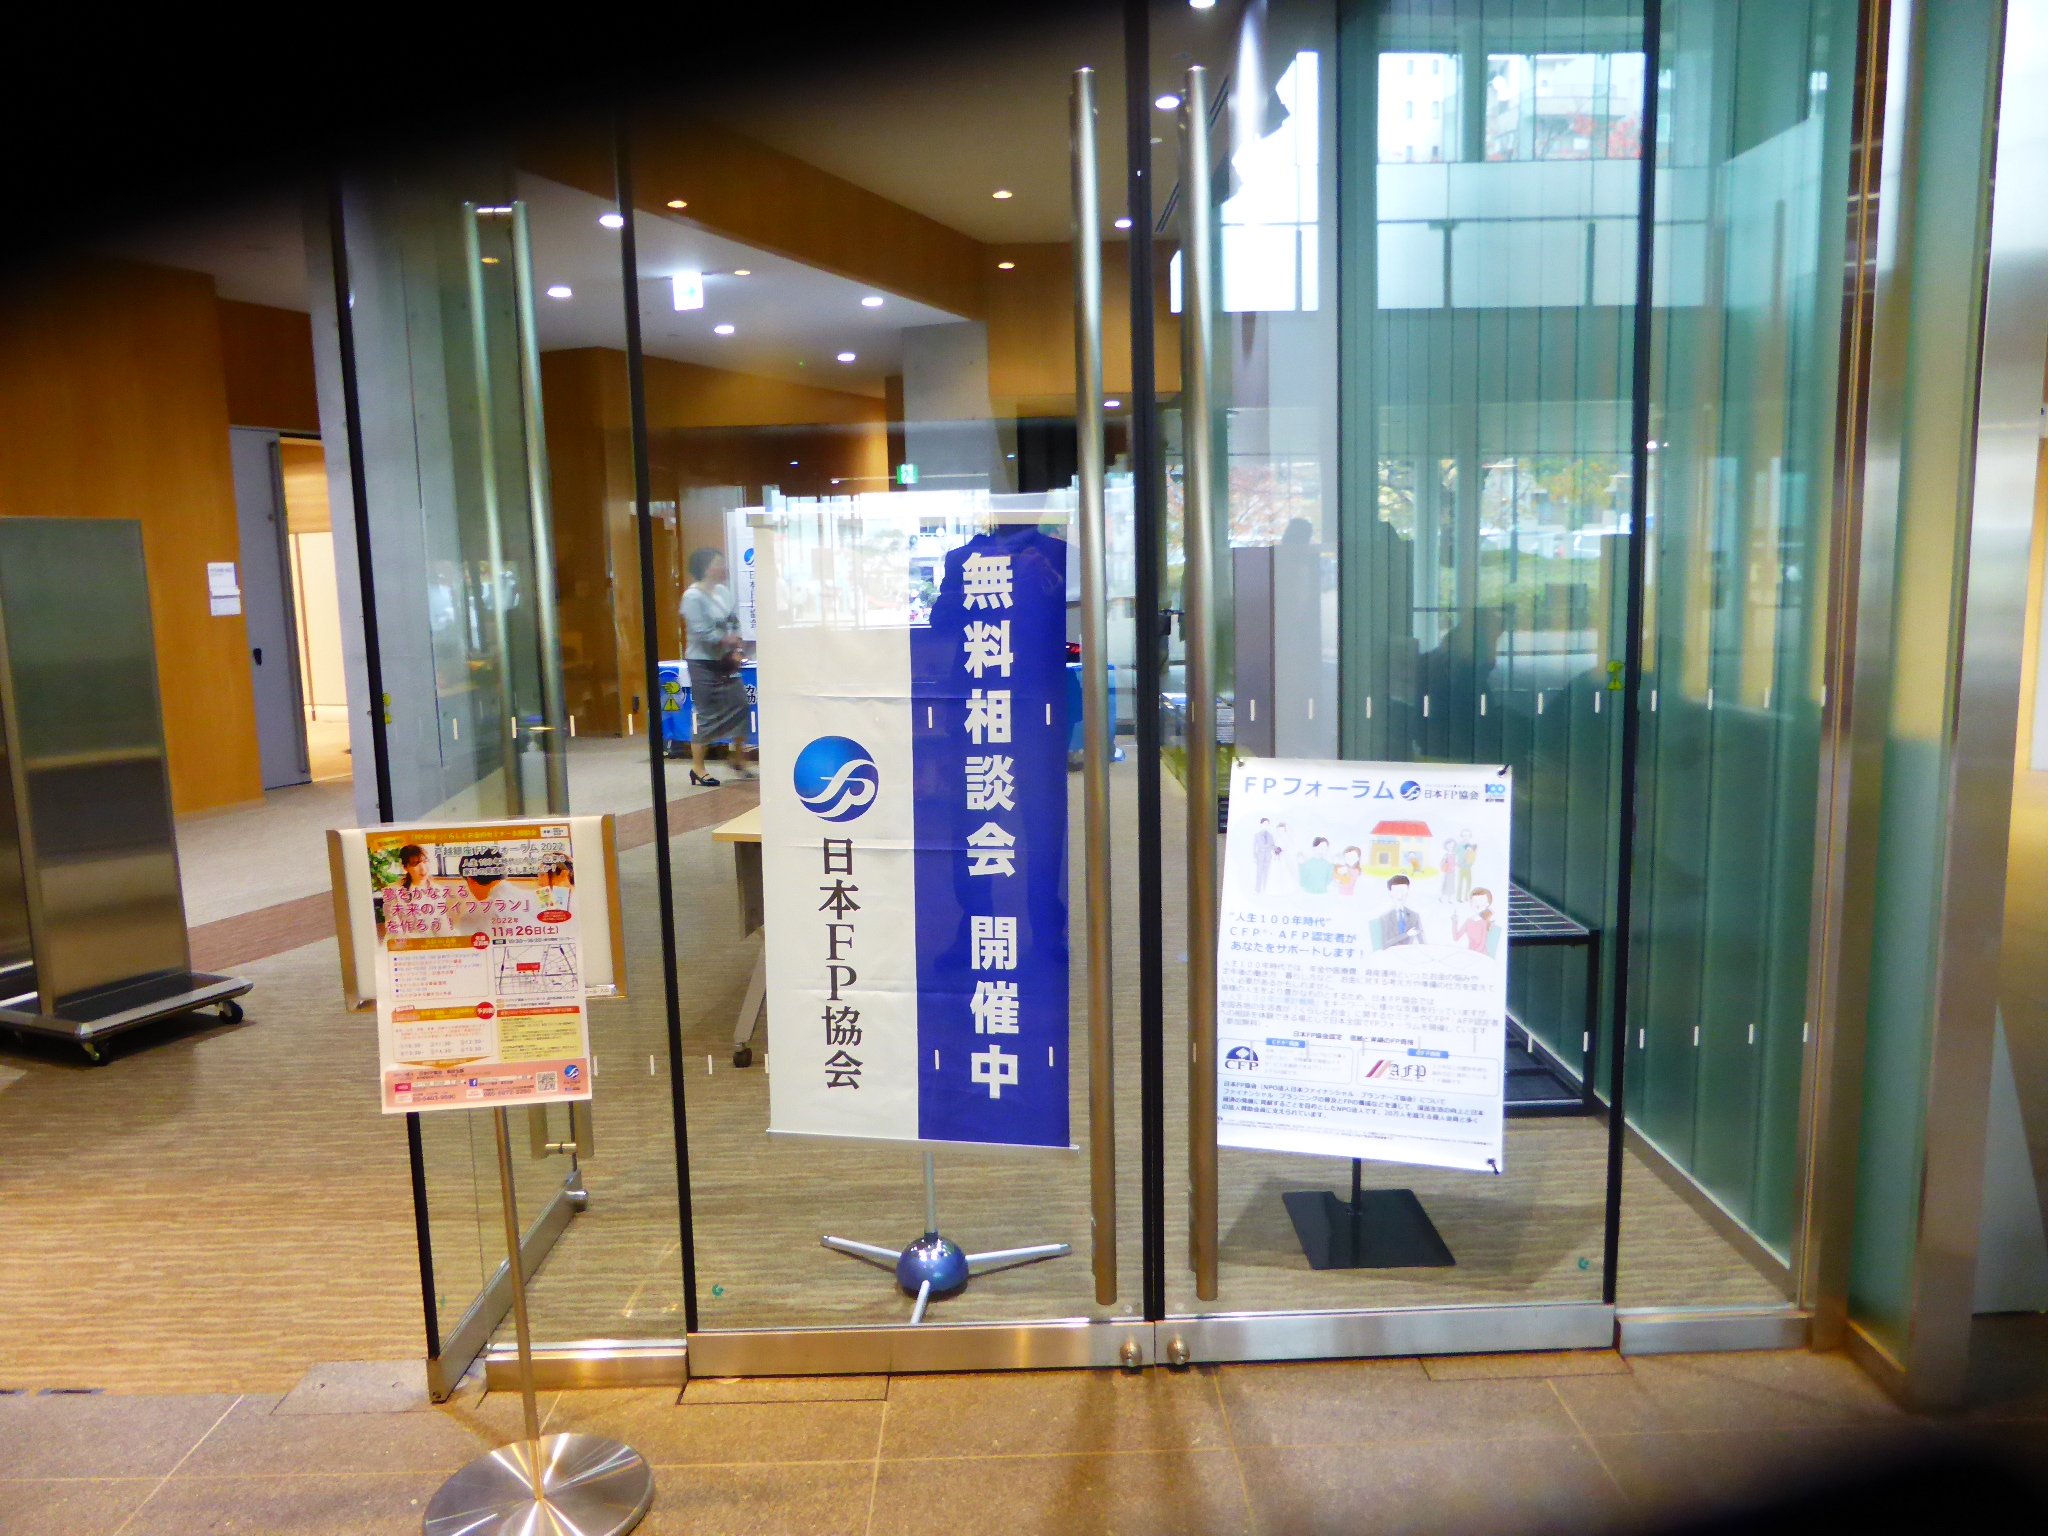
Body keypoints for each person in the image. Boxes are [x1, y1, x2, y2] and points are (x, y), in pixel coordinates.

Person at [681, 548, 755, 786]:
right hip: (703, 663)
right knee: (707, 714)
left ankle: (738, 758)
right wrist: (728, 642)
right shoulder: (692, 597)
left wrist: (737, 647)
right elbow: (702, 633)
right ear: (704, 568)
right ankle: (698, 768)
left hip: (726, 660)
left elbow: (733, 621)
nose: (723, 568)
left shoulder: (723, 591)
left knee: (740, 706)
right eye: (717, 564)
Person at [1372, 874, 1425, 949]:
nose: (1400, 895)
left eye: (1403, 891)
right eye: (1396, 892)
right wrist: (1406, 934)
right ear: (1390, 893)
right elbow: (1383, 945)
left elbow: (1422, 942)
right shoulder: (1384, 917)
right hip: (1390, 954)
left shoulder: (1414, 915)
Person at [1454, 887, 1496, 955]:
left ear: (1487, 903)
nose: (1477, 903)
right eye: (1474, 901)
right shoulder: (1469, 921)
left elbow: (1482, 944)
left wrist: (1473, 954)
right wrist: (1455, 922)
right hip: (1470, 953)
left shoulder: (1484, 922)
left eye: (1481, 901)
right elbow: (1456, 938)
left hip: (1481, 955)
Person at [1252, 818, 1276, 892]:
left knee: (1266, 873)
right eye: (1264, 824)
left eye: (1267, 824)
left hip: (1268, 856)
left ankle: (1265, 889)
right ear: (1261, 825)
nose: (1266, 826)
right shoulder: (1257, 835)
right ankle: (1257, 890)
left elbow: (1272, 845)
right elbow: (1254, 846)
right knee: (1259, 873)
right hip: (1260, 855)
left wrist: (1276, 848)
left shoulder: (1270, 836)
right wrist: (1254, 856)